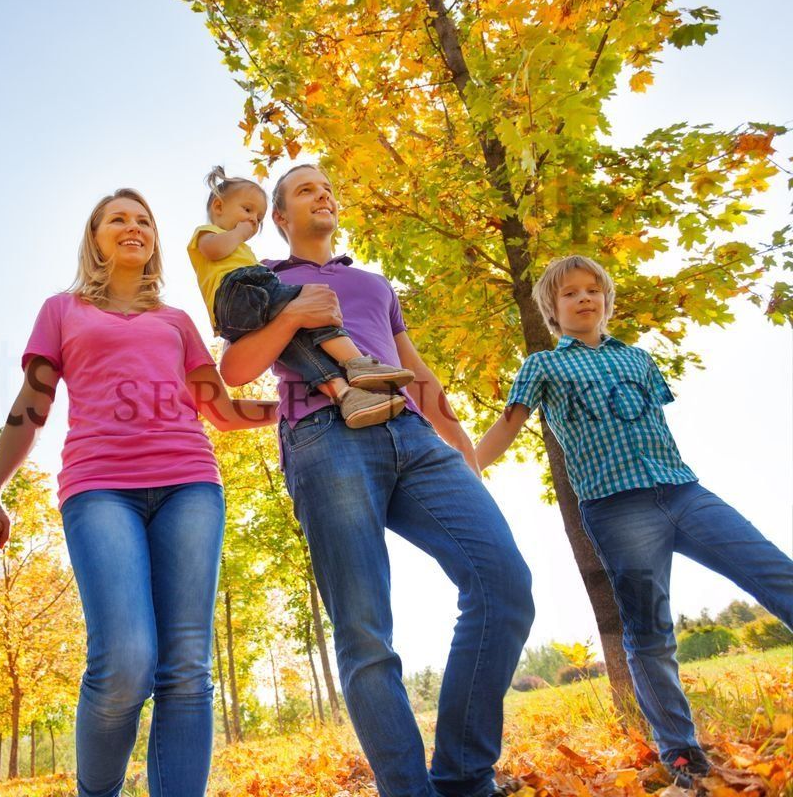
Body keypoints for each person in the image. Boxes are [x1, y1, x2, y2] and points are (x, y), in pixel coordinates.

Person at [218, 163, 534, 797]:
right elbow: (235, 369)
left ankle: (464, 778)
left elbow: (414, 370)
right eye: (306, 189)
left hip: (414, 436)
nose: (323, 193)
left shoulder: (373, 283)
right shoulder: (262, 280)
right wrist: (290, 317)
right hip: (323, 435)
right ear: (280, 218)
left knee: (504, 584)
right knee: (365, 632)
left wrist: (463, 449)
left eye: (328, 186)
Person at [0, 188, 276, 797]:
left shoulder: (177, 321)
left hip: (190, 483)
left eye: (143, 220)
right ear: (96, 237)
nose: (132, 227)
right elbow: (33, 404)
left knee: (186, 668)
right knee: (126, 661)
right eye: (117, 220)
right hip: (100, 486)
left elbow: (223, 410)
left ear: (154, 239)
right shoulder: (62, 310)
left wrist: (295, 405)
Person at [476, 254, 793, 789]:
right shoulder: (543, 367)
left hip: (684, 491)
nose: (584, 298)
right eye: (570, 293)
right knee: (650, 631)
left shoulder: (641, 361)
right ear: (552, 309)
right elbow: (506, 428)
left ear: (606, 298)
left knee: (774, 572)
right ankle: (681, 751)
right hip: (617, 509)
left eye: (592, 289)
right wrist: (461, 473)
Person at [188, 165, 413, 428]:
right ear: (218, 207)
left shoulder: (377, 284)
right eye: (247, 211)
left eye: (258, 218)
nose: (252, 222)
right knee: (312, 304)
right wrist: (240, 234)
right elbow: (214, 251)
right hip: (241, 291)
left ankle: (346, 395)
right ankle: (357, 362)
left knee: (303, 346)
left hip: (247, 296)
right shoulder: (208, 233)